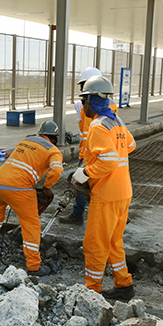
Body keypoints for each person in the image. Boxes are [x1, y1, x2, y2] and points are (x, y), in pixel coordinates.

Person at [71, 75, 135, 300]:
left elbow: (107, 160)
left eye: (84, 100)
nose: (83, 106)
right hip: (124, 192)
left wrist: (86, 173)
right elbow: (131, 145)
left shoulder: (98, 125)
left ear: (90, 101)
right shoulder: (116, 121)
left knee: (95, 244)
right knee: (114, 241)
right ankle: (123, 284)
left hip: (107, 194)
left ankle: (92, 291)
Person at [0, 121, 64, 276]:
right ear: (54, 138)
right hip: (19, 189)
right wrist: (47, 188)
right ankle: (34, 266)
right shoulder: (53, 151)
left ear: (40, 133)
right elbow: (57, 170)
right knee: (31, 225)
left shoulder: (25, 141)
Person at [60, 67, 118, 225]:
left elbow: (91, 131)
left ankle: (80, 215)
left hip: (92, 153)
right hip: (94, 152)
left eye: (83, 86)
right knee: (92, 186)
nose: (81, 90)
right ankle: (113, 215)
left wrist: (85, 164)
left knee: (83, 183)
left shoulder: (93, 106)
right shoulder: (107, 105)